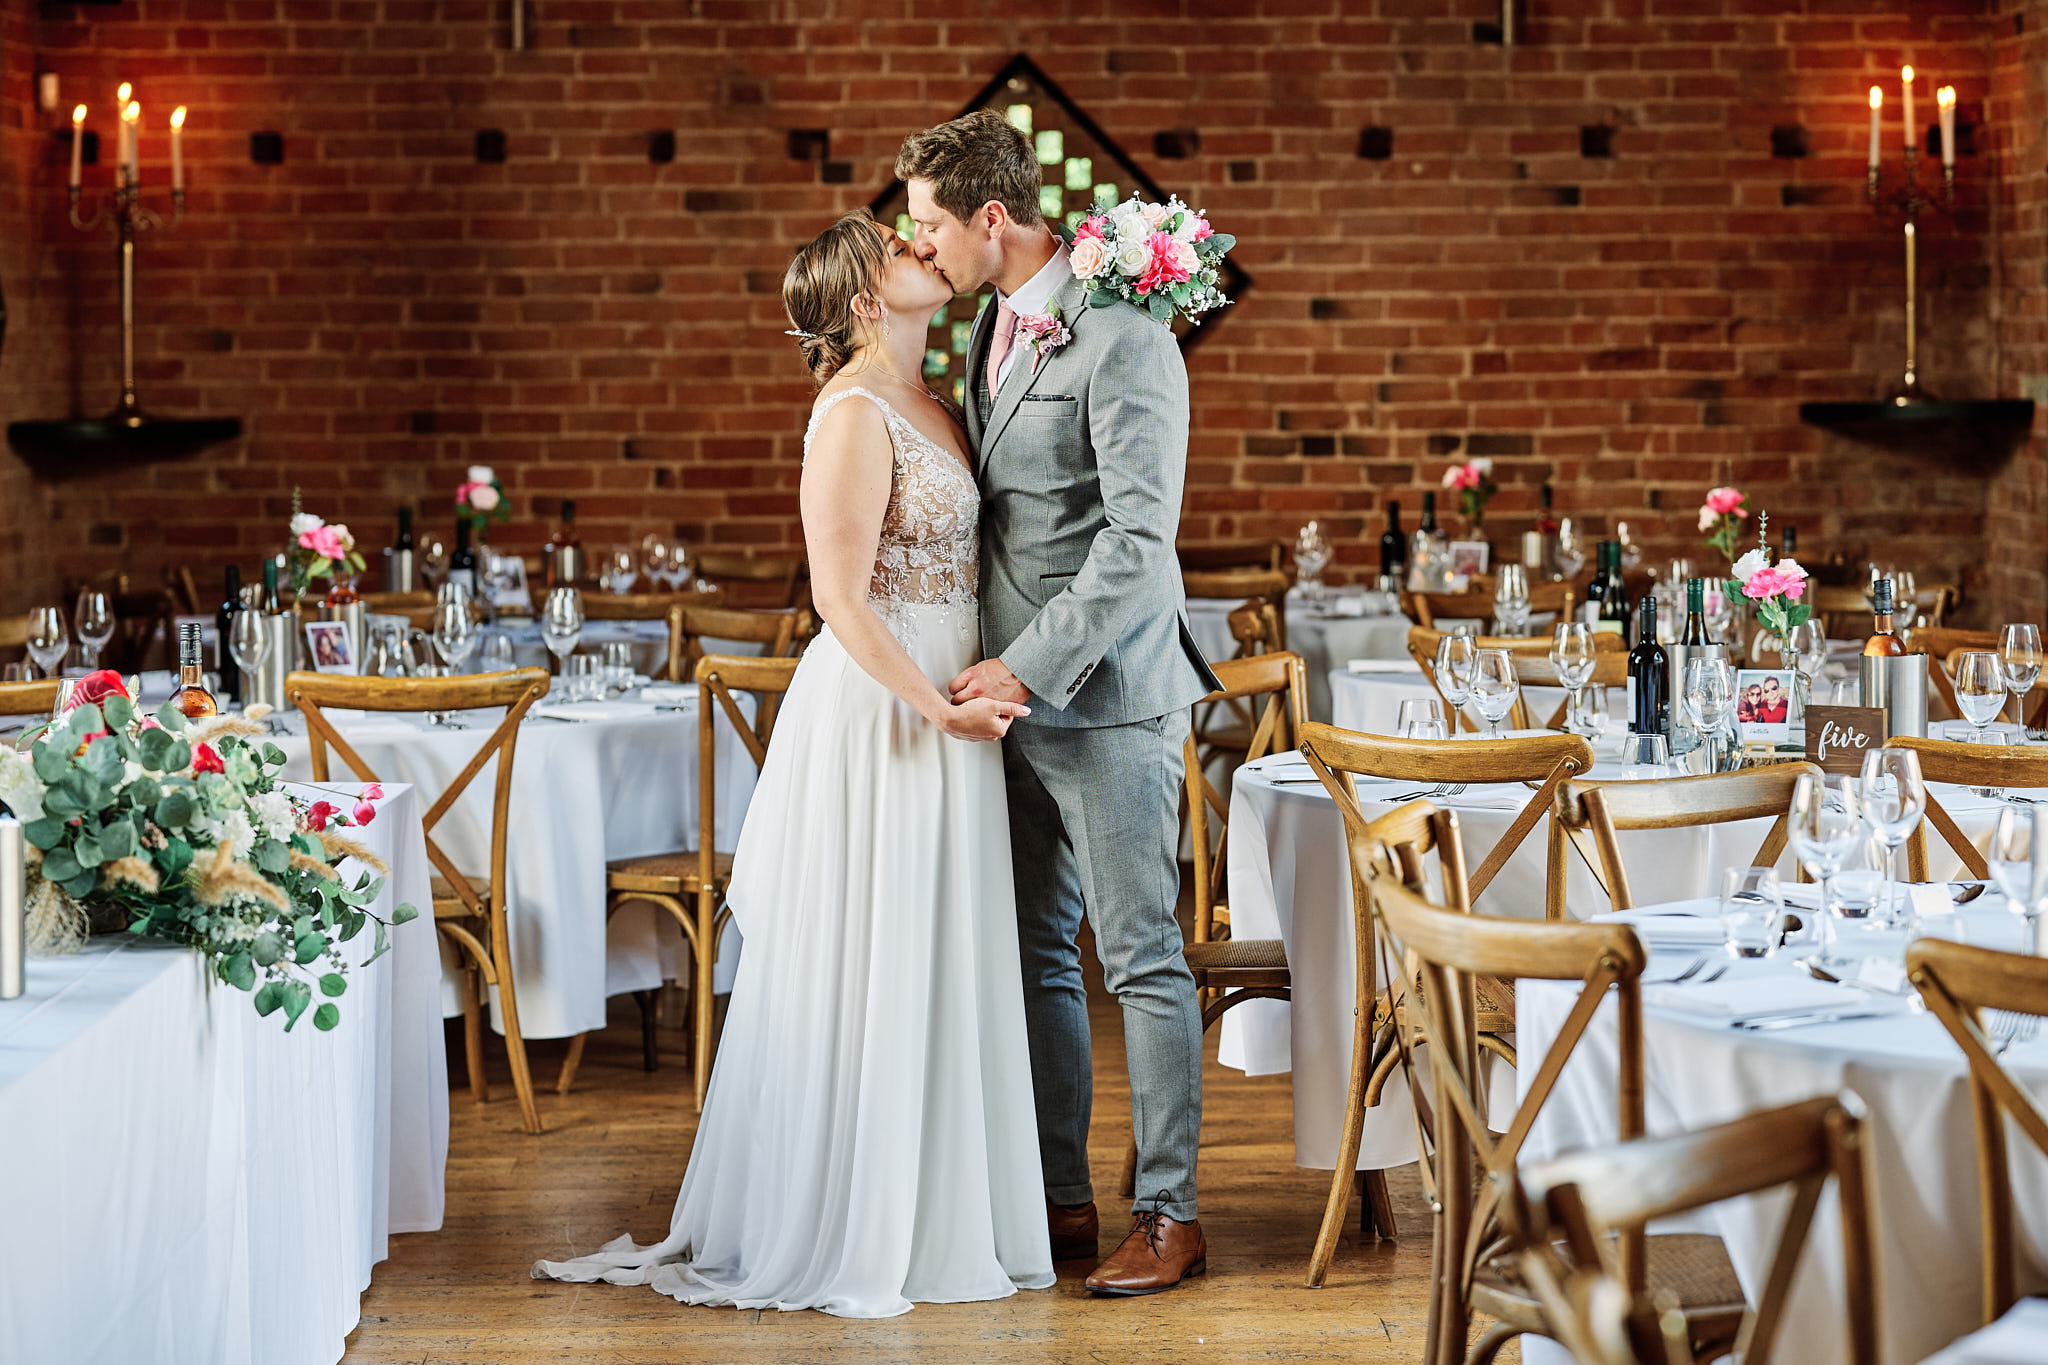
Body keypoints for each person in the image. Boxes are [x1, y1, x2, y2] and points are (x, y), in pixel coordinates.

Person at [530, 210, 1053, 1317]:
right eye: (898, 252)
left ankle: (943, 1211)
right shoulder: (851, 414)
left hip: (952, 693)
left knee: (940, 955)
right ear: (866, 301)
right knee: (879, 951)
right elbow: (838, 599)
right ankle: (856, 1222)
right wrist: (932, 709)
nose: (922, 251)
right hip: (885, 711)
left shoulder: (939, 400)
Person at [898, 110, 1221, 1297]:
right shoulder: (988, 320)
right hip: (1008, 702)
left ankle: (1172, 1214)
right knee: (1037, 956)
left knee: (1138, 961)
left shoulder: (1126, 337)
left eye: (932, 225)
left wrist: (1030, 663)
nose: (919, 245)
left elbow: (1138, 543)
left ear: (992, 218)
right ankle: (1061, 1199)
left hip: (1108, 694)